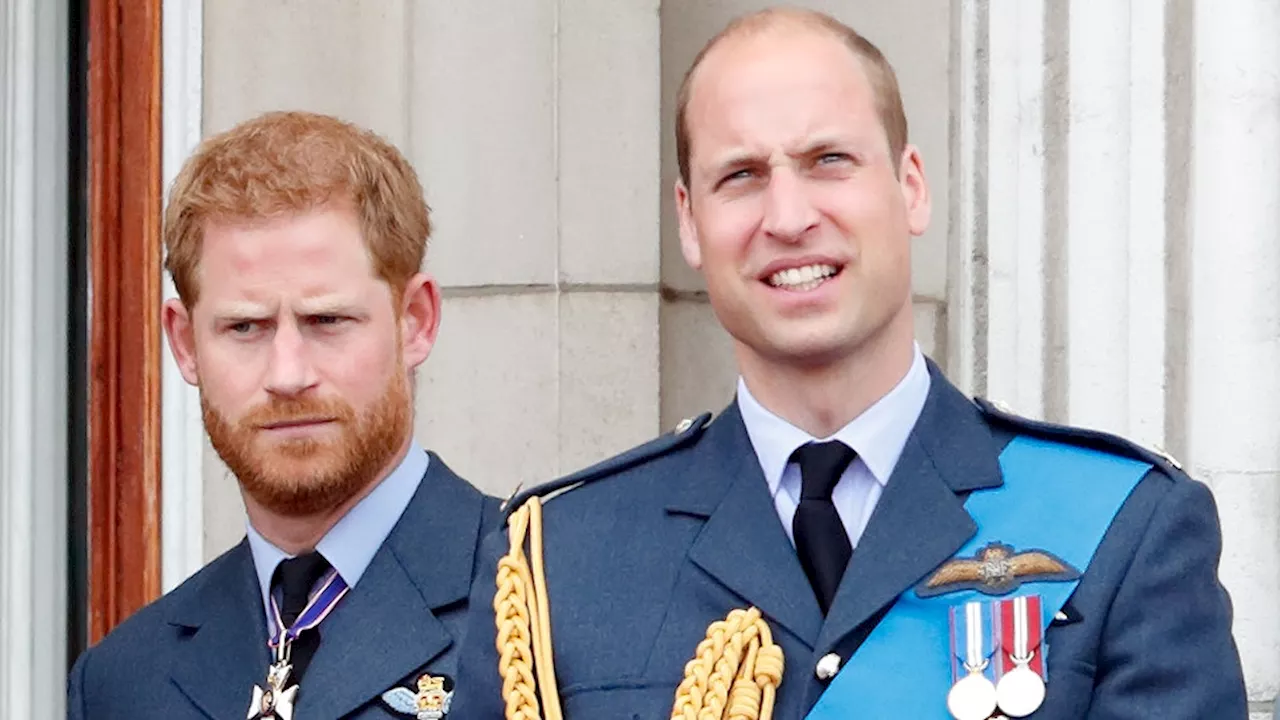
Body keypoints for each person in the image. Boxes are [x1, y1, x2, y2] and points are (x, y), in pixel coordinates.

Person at [450, 8, 1246, 719]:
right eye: (742, 176)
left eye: (830, 159)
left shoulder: (1125, 529)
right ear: (690, 222)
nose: (790, 217)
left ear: (911, 188)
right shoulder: (560, 561)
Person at [68, 111, 500, 719]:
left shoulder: (542, 611)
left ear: (416, 321)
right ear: (185, 343)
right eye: (244, 327)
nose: (287, 374)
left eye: (327, 321)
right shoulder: (126, 680)